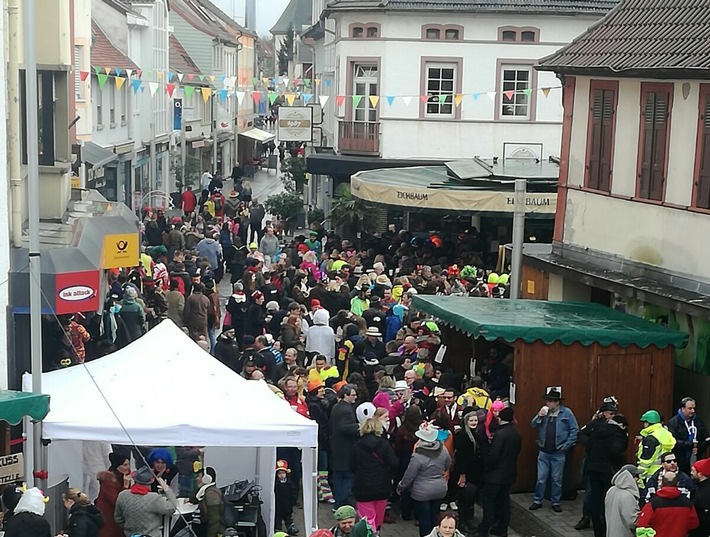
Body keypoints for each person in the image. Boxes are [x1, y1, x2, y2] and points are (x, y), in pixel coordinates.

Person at [578, 401, 628, 537]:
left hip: (594, 467)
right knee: (605, 501)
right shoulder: (618, 433)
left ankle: (597, 529)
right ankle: (605, 529)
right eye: (610, 413)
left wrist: (592, 449)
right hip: (607, 470)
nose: (612, 416)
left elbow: (587, 440)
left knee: (594, 498)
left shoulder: (597, 429)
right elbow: (616, 451)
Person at [529, 388, 579, 512]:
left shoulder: (566, 413)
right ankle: (537, 500)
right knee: (541, 478)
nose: (548, 404)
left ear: (557, 402)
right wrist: (539, 416)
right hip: (544, 451)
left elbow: (574, 430)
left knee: (556, 479)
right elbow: (533, 425)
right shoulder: (544, 412)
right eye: (547, 401)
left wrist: (567, 445)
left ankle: (555, 502)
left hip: (558, 452)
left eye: (550, 401)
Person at [398, 422, 451, 537]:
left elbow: (409, 475)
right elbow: (448, 465)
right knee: (435, 516)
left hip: (421, 492)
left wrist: (401, 486)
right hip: (439, 489)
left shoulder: (418, 456)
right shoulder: (443, 450)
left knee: (424, 518)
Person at [477, 407, 521, 537]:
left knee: (488, 501)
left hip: (495, 475)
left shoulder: (500, 435)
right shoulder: (516, 434)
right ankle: (502, 529)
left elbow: (493, 455)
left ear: (500, 418)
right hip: (509, 473)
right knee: (504, 502)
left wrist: (487, 467)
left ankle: (484, 529)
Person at [352, 406, 398, 532]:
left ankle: (369, 534)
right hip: (382, 486)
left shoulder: (357, 445)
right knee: (378, 518)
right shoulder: (384, 444)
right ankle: (376, 533)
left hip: (363, 487)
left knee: (366, 519)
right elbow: (393, 463)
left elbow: (352, 465)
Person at [114, 466, 176, 537]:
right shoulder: (153, 498)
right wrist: (167, 489)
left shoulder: (122, 495)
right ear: (151, 481)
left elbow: (118, 519)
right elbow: (172, 508)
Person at [453, 407, 486, 533]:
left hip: (476, 472)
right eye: (471, 420)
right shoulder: (462, 436)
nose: (474, 422)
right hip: (466, 472)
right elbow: (460, 457)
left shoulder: (477, 434)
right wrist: (462, 475)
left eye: (475, 420)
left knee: (471, 497)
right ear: (466, 421)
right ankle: (462, 522)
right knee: (464, 498)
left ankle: (468, 519)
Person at [637, 471, 699, 537]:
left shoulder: (652, 504)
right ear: (678, 484)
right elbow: (693, 524)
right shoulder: (687, 504)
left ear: (661, 484)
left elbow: (642, 525)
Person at [330, 383, 360, 508]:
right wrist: (360, 426)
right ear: (346, 395)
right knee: (346, 478)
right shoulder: (346, 409)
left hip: (337, 449)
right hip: (345, 450)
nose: (356, 397)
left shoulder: (337, 407)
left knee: (339, 477)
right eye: (353, 395)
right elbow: (344, 428)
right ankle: (341, 504)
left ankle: (338, 502)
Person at [669, 397, 709, 475]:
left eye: (694, 408)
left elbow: (706, 438)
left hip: (695, 459)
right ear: (683, 408)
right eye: (690, 408)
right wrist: (690, 444)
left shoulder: (698, 420)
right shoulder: (673, 423)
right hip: (680, 459)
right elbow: (672, 442)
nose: (693, 411)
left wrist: (699, 449)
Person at [96, 452, 132, 537]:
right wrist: (126, 486)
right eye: (125, 465)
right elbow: (118, 502)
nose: (128, 467)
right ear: (117, 466)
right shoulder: (108, 481)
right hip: (109, 519)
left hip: (118, 518)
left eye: (129, 464)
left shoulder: (123, 476)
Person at [638, 409, 677, 483]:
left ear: (647, 423)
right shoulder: (665, 433)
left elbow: (645, 461)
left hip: (650, 476)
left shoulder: (651, 438)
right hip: (663, 472)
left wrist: (639, 477)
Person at [603, 464, 640, 537]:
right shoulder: (628, 496)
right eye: (637, 476)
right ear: (630, 477)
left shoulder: (611, 490)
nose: (638, 479)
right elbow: (632, 521)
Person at [190, 467, 225, 537]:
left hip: (212, 532)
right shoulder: (205, 491)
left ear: (206, 479)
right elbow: (196, 498)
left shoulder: (211, 494)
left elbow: (214, 520)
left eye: (199, 476)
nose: (197, 479)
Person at [274, 460, 299, 535]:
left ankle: (290, 527)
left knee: (288, 517)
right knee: (277, 518)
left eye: (283, 473)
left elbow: (294, 492)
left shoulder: (290, 483)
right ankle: (277, 529)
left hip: (287, 505)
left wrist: (293, 501)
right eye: (279, 473)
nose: (281, 475)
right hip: (278, 505)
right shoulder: (275, 484)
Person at [691, 458, 710, 537]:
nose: (691, 473)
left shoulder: (703, 494)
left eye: (693, 471)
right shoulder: (700, 487)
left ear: (700, 474)